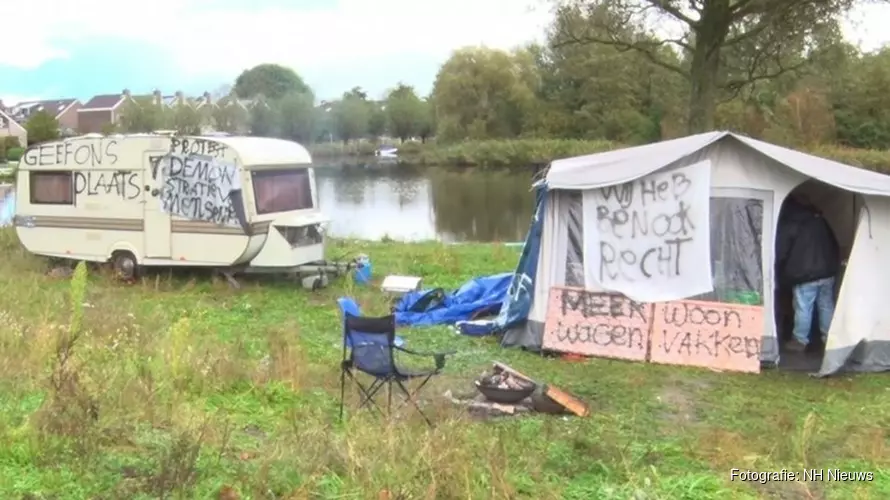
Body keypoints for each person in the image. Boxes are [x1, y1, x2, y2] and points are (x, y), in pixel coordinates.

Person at [775, 195, 840, 352]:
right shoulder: (819, 220)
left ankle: (800, 341)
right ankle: (829, 338)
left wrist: (779, 268)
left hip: (804, 274)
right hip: (827, 272)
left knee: (804, 307)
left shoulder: (790, 223)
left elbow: (781, 251)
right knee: (826, 305)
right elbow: (834, 243)